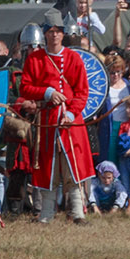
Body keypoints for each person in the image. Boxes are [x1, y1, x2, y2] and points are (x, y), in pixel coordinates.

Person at [17, 15, 94, 224]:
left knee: (73, 166)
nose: (54, 34)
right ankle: (47, 214)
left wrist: (70, 113)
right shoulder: (34, 59)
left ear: (63, 33)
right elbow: (24, 87)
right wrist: (47, 92)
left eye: (58, 30)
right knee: (48, 166)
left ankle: (78, 213)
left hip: (72, 121)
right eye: (50, 31)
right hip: (47, 120)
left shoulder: (74, 59)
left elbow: (82, 93)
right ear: (45, 33)